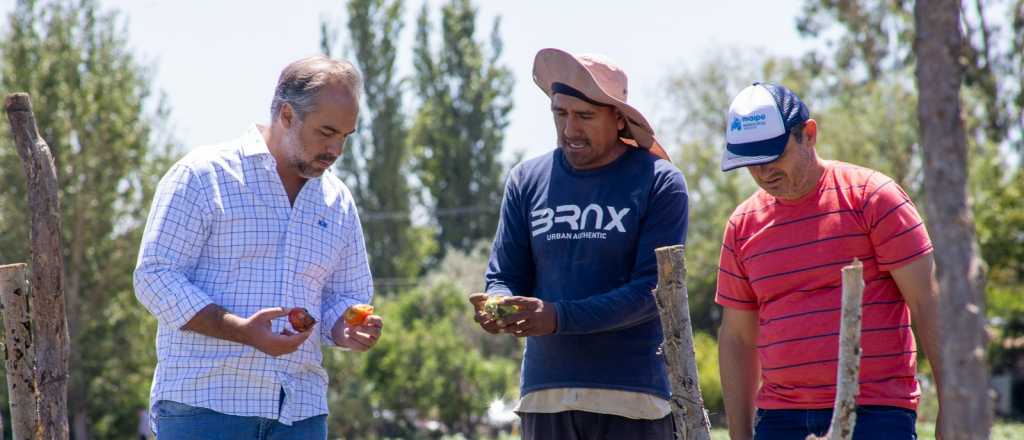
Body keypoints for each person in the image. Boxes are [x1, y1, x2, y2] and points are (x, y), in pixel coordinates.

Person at [133, 55, 382, 439]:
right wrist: (241, 329)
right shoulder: (203, 175)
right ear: (286, 114)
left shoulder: (338, 201)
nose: (336, 150)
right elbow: (154, 277)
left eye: (345, 137)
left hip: (301, 410)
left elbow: (345, 295)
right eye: (326, 132)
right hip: (205, 406)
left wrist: (344, 328)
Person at [470, 48, 689, 440]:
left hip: (633, 399)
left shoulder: (658, 181)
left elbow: (652, 291)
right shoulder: (526, 179)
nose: (570, 128)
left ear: (619, 118)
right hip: (546, 397)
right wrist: (497, 304)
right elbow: (504, 275)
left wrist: (557, 317)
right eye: (560, 114)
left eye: (585, 116)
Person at [715, 82, 943, 439]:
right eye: (751, 163)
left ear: (809, 134)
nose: (763, 173)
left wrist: (952, 405)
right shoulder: (742, 226)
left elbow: (927, 301)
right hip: (779, 419)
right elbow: (738, 338)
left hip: (874, 411)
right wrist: (740, 434)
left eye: (773, 156)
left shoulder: (873, 198)